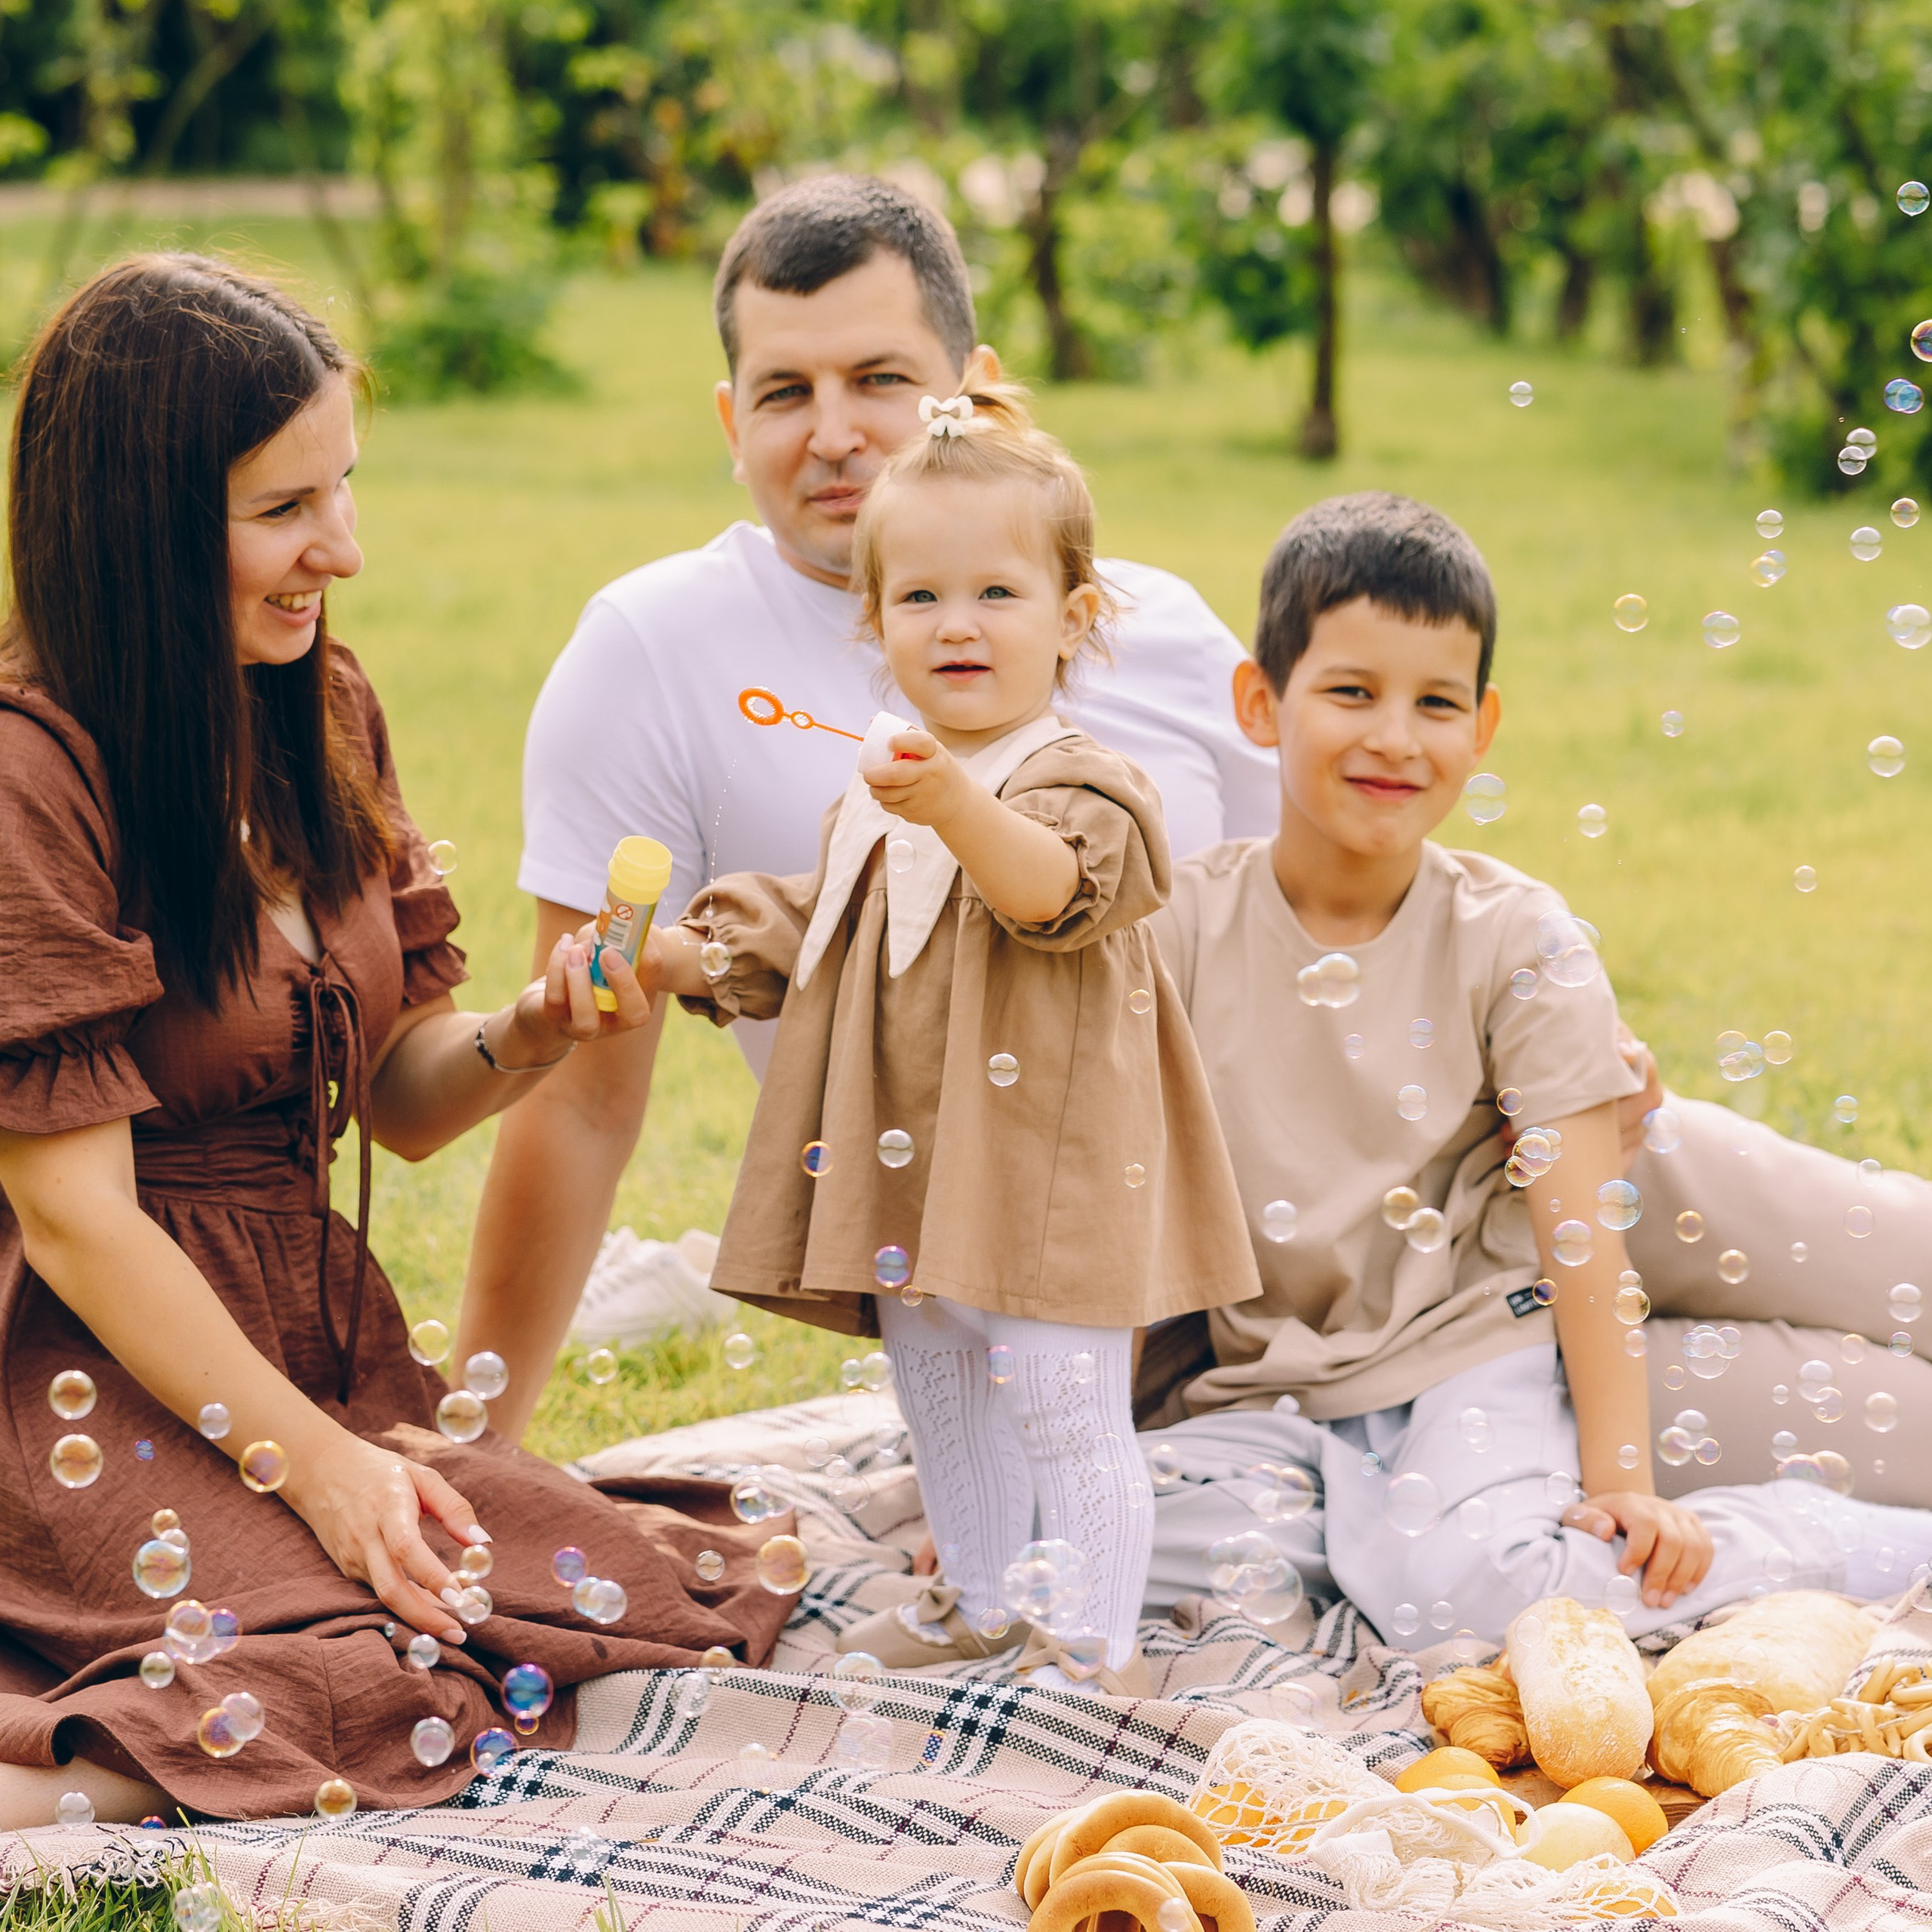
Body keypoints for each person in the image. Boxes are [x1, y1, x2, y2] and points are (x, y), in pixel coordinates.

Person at [0, 257, 791, 1829]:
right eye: (286, 509)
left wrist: (534, 1027)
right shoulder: (34, 776)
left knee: (618, 1583)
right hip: (83, 1374)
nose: (340, 551)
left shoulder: (318, 709)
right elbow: (76, 1215)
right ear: (145, 522)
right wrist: (322, 1471)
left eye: (343, 489)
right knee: (366, 1668)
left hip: (306, 1350)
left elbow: (404, 1101)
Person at [460, 174, 1277, 1442]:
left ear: (979, 390)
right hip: (997, 1280)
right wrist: (481, 1444)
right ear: (731, 423)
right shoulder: (655, 650)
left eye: (880, 380)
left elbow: (1339, 921)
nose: (833, 433)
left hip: (1272, 1232)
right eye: (786, 393)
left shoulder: (1151, 627)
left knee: (1674, 1197)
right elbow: (580, 1091)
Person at [1137, 493, 1932, 1647]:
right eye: (1351, 692)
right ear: (1262, 702)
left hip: (1471, 1348)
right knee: (1062, 1552)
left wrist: (1624, 1483)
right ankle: (1404, 1530)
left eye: (1436, 704)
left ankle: (1804, 1540)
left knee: (1470, 1592)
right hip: (1281, 1388)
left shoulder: (1514, 935)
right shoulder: (1179, 932)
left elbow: (1582, 1232)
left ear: (1485, 726)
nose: (1396, 738)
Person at [637, 383, 1261, 1693]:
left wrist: (944, 803)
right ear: (875, 625)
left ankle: (1095, 1645)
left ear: (1073, 619)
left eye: (997, 594)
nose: (956, 624)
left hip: (1047, 1174)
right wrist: (684, 952)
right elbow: (824, 924)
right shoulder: (880, 793)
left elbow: (1051, 892)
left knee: (1062, 1404)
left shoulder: (1081, 780)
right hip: (920, 1172)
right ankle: (978, 1599)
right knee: (939, 1391)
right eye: (918, 598)